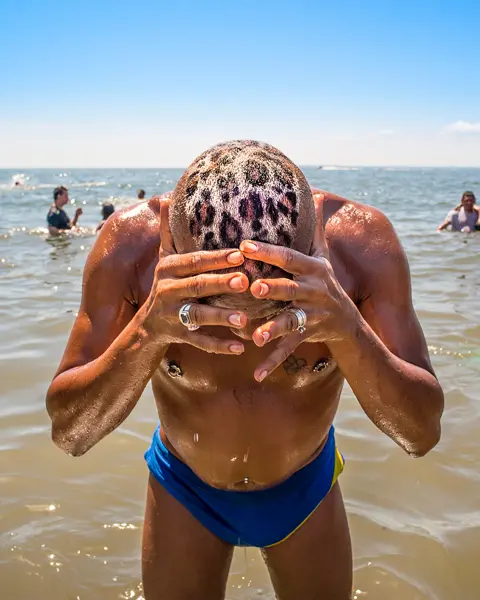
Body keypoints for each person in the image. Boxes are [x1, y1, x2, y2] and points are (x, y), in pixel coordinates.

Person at [46, 141, 444, 600]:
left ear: (315, 246)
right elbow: (70, 434)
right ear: (167, 242)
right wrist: (147, 330)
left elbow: (422, 433)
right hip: (185, 483)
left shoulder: (362, 248)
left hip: (305, 483)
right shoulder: (129, 251)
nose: (249, 332)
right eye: (216, 303)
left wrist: (346, 327)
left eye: (276, 301)